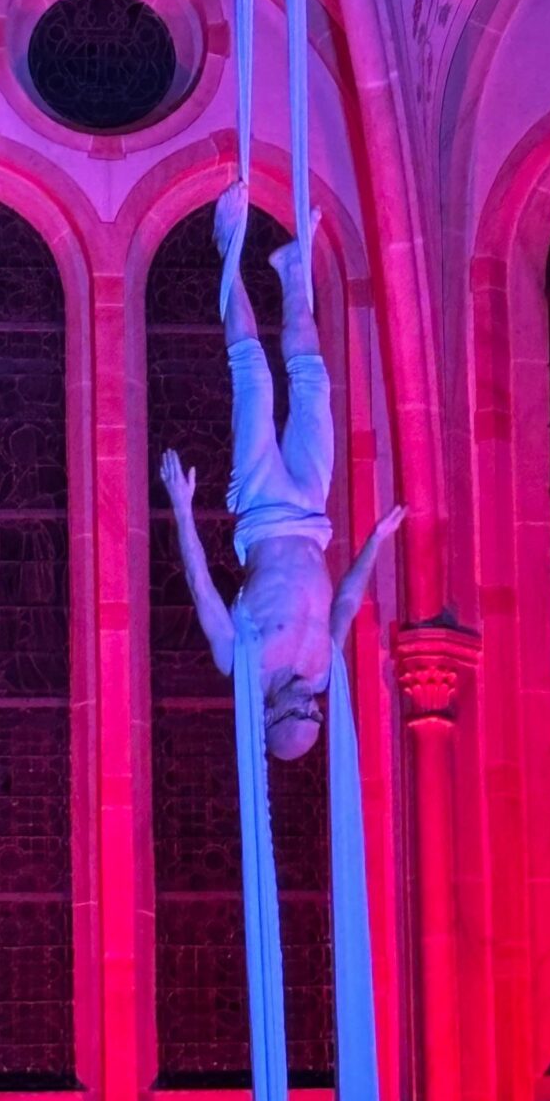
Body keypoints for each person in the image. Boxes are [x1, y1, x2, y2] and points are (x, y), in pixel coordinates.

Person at [160, 181, 405, 760]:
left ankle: (228, 243)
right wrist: (375, 542)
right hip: (312, 510)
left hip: (263, 507)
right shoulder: (320, 670)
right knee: (312, 381)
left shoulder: (240, 660)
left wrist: (181, 508)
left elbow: (200, 583)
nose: (313, 705)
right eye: (317, 715)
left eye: (302, 714)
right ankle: (294, 270)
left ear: (270, 716)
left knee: (253, 375)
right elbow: (345, 603)